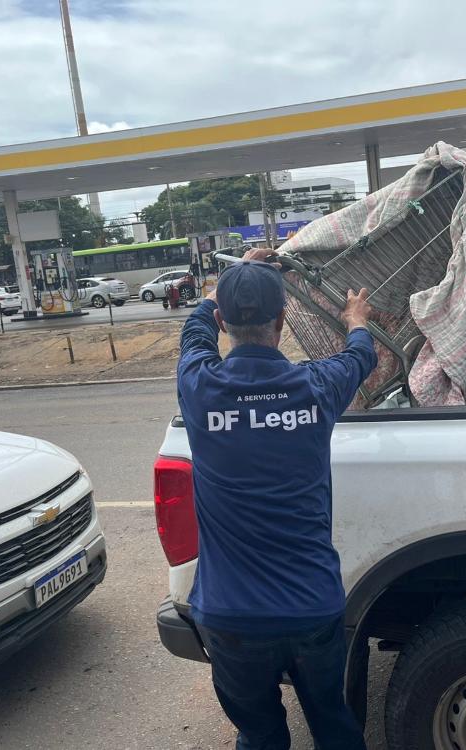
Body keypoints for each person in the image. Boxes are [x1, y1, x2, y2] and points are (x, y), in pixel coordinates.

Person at [177, 247, 376, 750]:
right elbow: (361, 355)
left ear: (223, 322)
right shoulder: (316, 386)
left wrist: (231, 279)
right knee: (334, 725)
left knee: (260, 734)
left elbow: (194, 332)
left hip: (230, 616)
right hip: (311, 608)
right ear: (283, 320)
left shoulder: (200, 386)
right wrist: (355, 319)